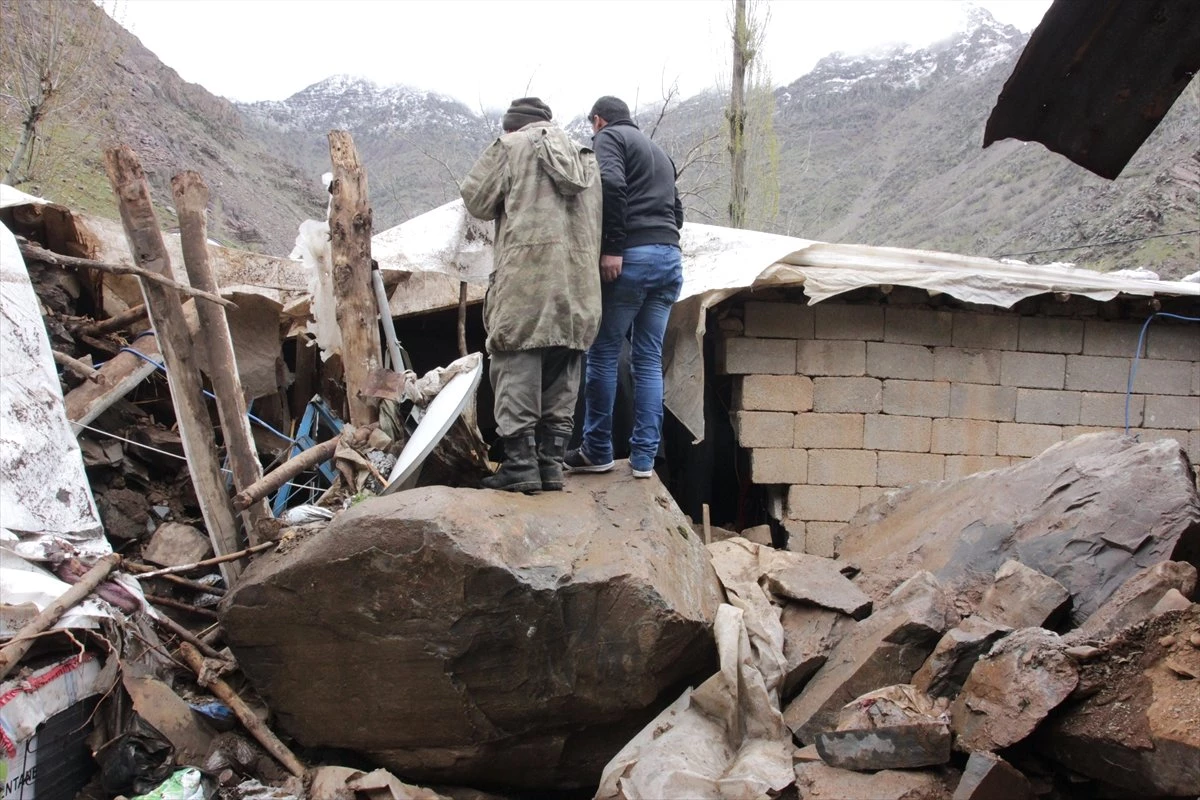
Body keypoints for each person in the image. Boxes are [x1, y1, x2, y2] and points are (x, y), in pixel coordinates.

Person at [460, 97, 603, 492]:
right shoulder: (586, 158)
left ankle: (521, 466)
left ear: (511, 127)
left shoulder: (510, 148)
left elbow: (476, 201)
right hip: (580, 285)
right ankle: (551, 465)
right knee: (564, 366)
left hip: (527, 280)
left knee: (515, 363)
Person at [566, 96, 684, 479]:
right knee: (648, 360)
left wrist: (613, 247)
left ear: (598, 121)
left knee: (601, 352)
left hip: (632, 258)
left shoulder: (609, 140)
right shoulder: (659, 153)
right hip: (669, 259)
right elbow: (677, 213)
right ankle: (644, 461)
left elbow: (612, 183)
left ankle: (597, 450)